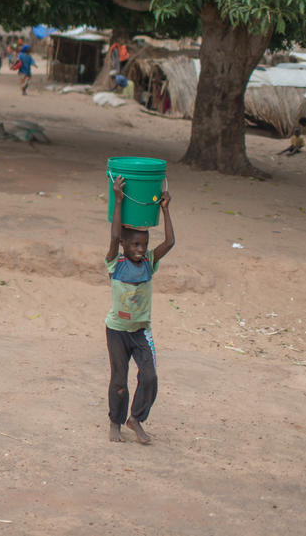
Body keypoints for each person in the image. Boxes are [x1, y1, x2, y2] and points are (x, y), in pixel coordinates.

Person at [105, 176, 174, 445]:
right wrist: (119, 199)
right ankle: (115, 422)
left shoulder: (150, 262)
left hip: (141, 331)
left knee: (150, 377)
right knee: (119, 380)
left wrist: (166, 210)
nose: (140, 250)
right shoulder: (115, 262)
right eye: (135, 245)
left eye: (143, 245)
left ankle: (136, 418)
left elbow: (169, 242)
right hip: (117, 331)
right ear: (124, 245)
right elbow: (113, 235)